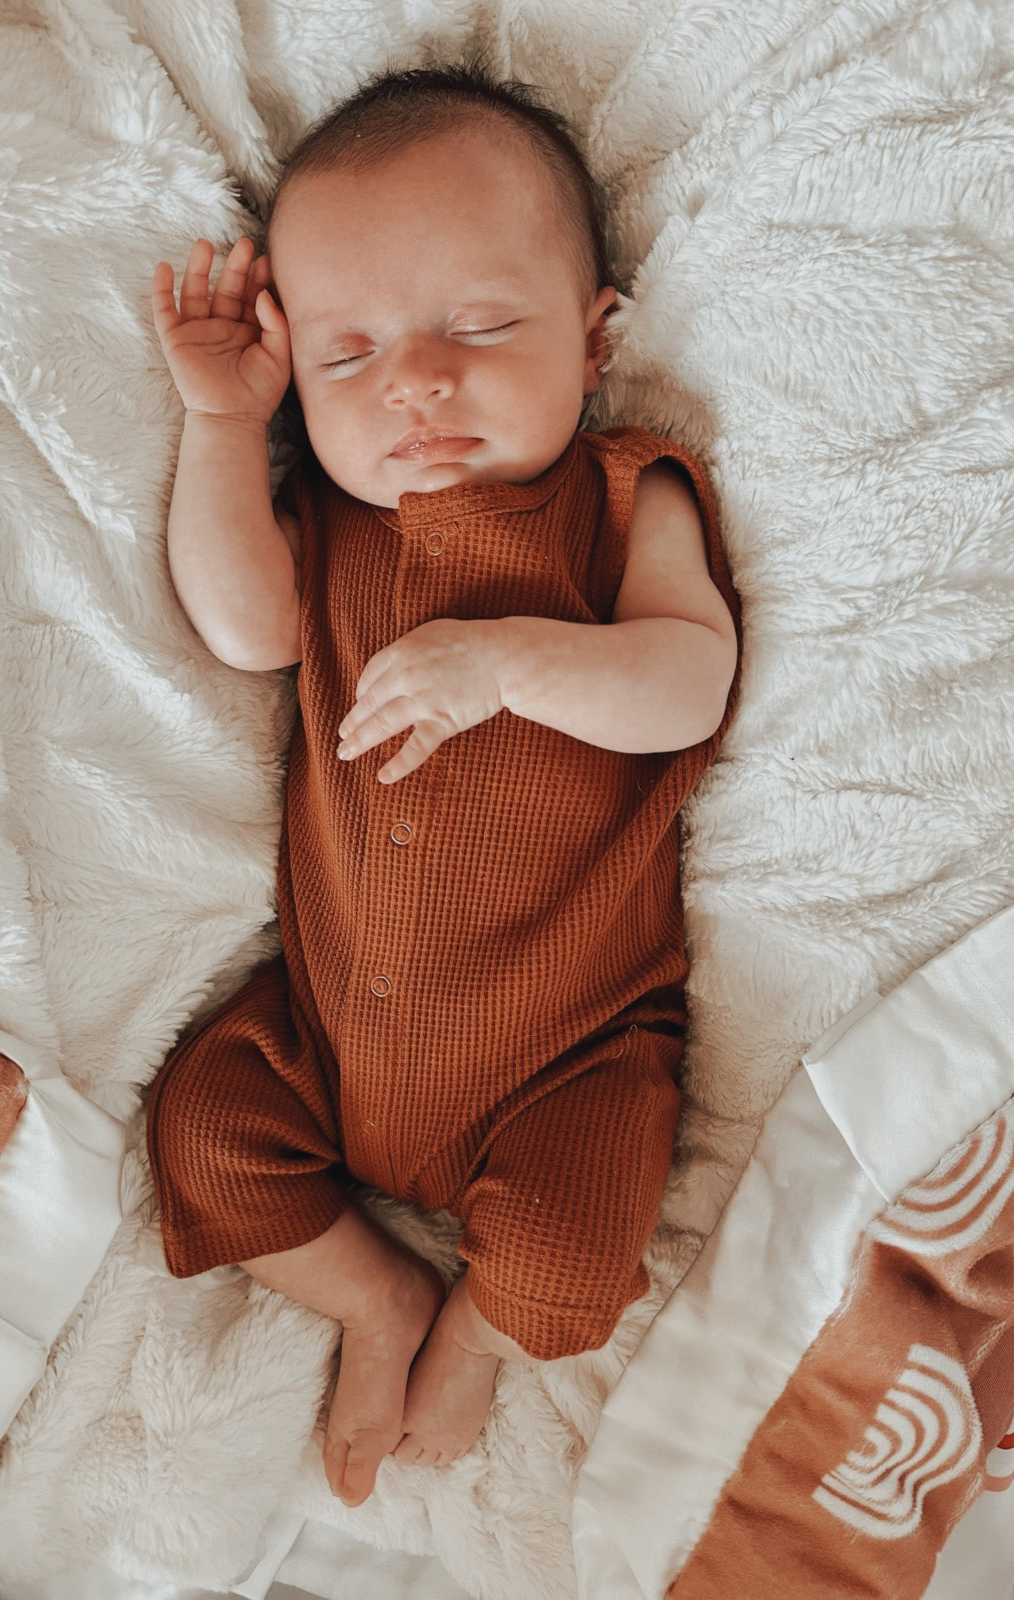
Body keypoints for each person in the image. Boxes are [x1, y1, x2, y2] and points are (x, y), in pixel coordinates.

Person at [145, 62, 740, 1511]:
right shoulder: (336, 531)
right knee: (202, 1139)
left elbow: (691, 678)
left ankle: (471, 1322)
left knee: (567, 1258)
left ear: (595, 341)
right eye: (345, 359)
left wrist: (513, 660)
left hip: (574, 1050)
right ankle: (373, 1300)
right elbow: (239, 629)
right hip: (324, 1042)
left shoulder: (618, 494)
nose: (416, 380)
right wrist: (227, 427)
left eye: (479, 327)